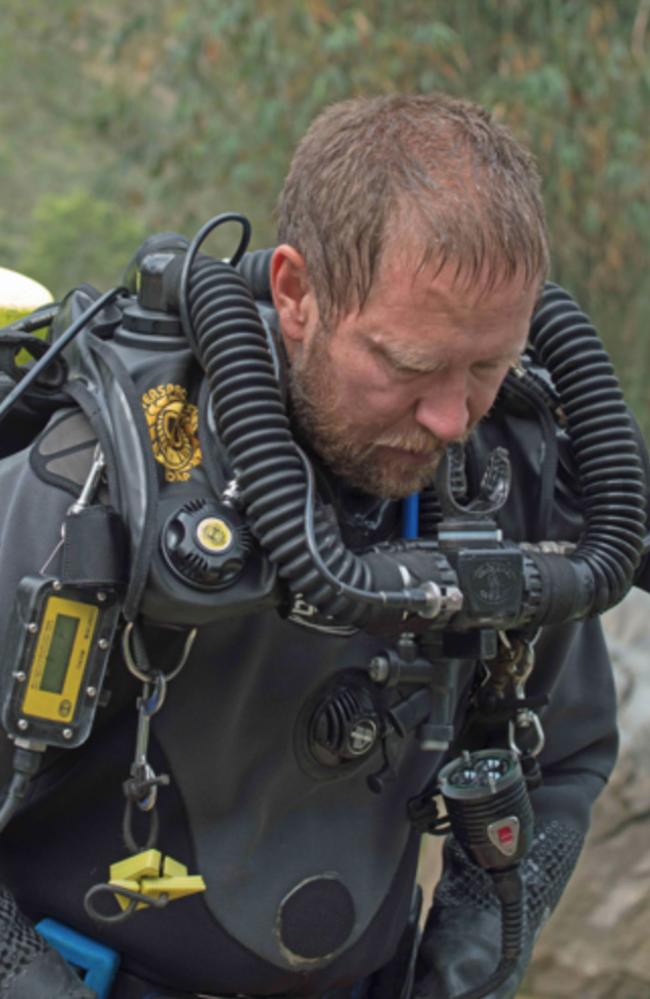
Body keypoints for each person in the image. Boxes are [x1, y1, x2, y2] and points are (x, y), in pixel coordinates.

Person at [0, 93, 647, 999]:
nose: (451, 417)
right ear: (297, 293)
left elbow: (562, 752)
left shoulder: (502, 477)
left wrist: (465, 967)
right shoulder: (109, 478)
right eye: (409, 365)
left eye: (488, 367)